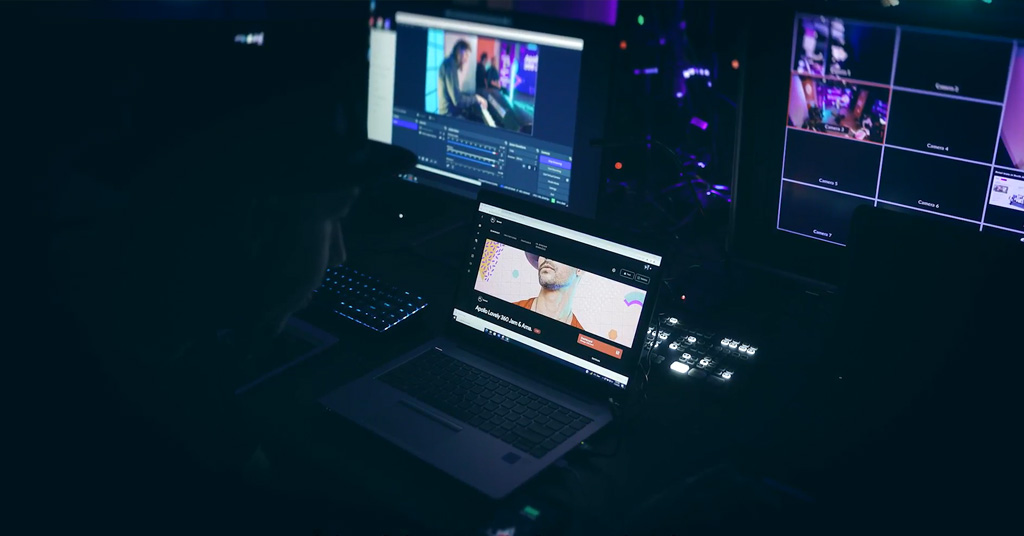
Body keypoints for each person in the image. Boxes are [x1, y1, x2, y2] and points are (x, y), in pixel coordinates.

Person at [514, 252, 585, 329]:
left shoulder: (579, 335)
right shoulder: (510, 313)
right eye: (543, 250)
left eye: (560, 250)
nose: (547, 257)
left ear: (579, 269)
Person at [438, 39, 488, 117]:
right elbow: (457, 100)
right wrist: (476, 98)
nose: (467, 59)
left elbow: (456, 94)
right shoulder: (450, 65)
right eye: (466, 55)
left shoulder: (449, 62)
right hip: (448, 114)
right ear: (460, 52)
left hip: (449, 111)